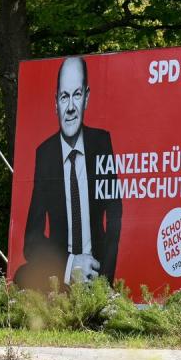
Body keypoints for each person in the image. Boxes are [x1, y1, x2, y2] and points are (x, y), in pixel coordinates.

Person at [15, 56, 121, 291]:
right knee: (21, 275)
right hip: (60, 271)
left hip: (97, 268)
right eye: (64, 96)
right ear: (56, 103)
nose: (71, 106)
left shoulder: (101, 142)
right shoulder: (45, 154)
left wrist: (105, 280)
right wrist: (70, 265)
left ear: (87, 98)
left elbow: (116, 215)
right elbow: (31, 240)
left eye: (77, 94)